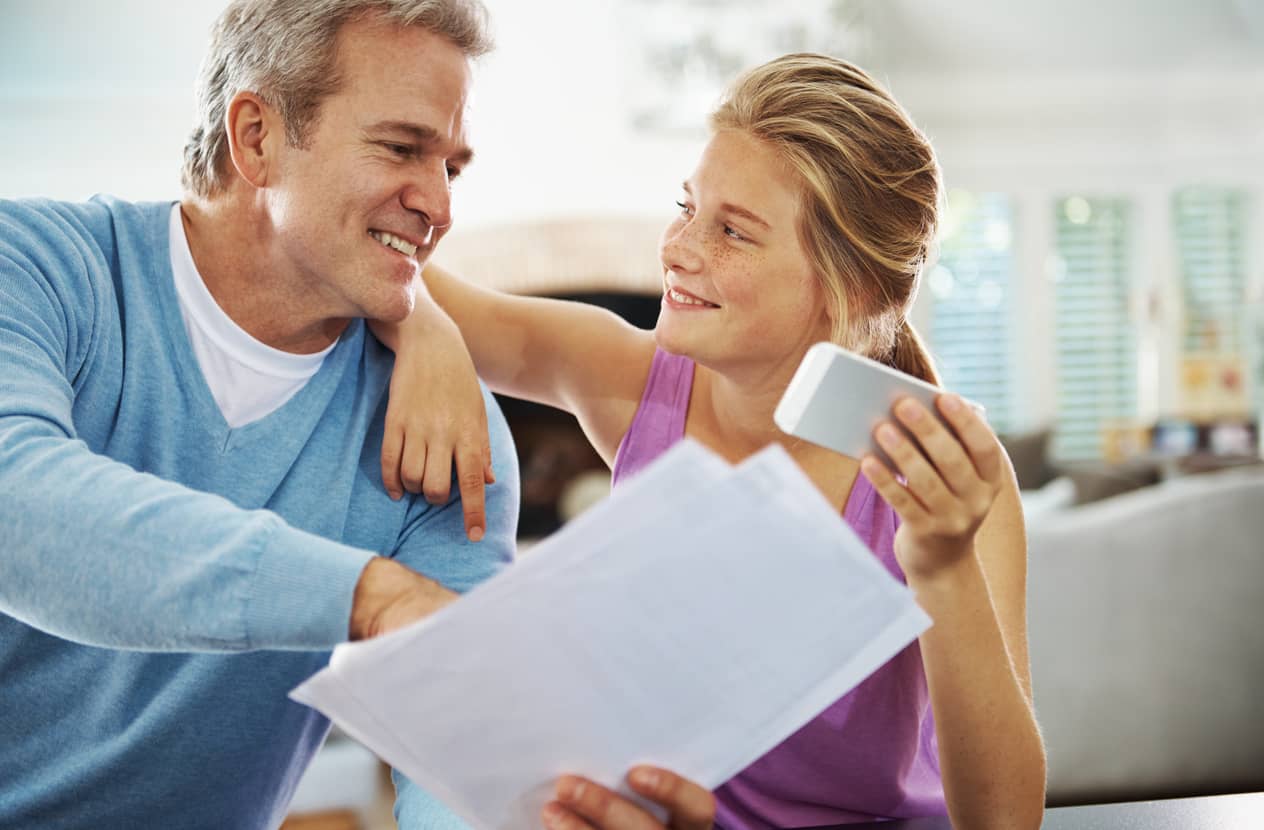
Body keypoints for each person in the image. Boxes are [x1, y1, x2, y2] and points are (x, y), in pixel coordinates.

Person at [380, 54, 1048, 829]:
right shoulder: (633, 383)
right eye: (686, 206)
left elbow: (1006, 821)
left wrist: (943, 565)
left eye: (732, 230)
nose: (679, 247)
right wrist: (427, 330)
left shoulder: (943, 473)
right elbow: (403, 284)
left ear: (853, 288)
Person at [0, 1, 519, 827]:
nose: (440, 206)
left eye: (452, 166)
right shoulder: (37, 270)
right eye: (400, 148)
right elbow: (16, 509)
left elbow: (455, 744)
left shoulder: (445, 430)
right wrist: (372, 597)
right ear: (257, 137)